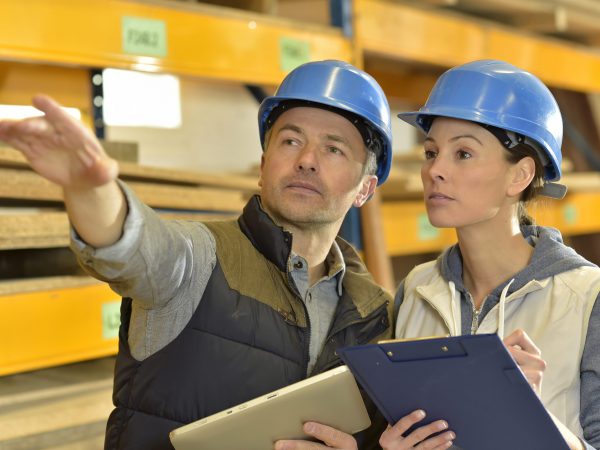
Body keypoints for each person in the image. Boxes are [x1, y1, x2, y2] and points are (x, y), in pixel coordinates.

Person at [0, 60, 395, 450]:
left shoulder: (375, 316)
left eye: (334, 149)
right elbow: (135, 248)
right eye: (291, 141)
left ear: (365, 188)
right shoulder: (201, 259)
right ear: (263, 165)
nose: (306, 160)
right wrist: (90, 190)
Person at [377, 59, 600, 450]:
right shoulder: (416, 290)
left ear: (520, 175)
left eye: (463, 153)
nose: (434, 171)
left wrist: (531, 416)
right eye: (431, 152)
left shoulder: (587, 298)